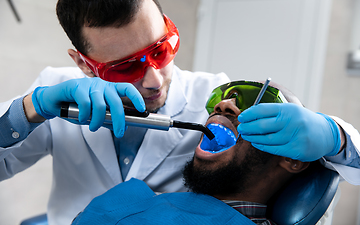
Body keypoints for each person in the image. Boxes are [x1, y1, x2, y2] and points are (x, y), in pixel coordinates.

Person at [0, 0, 359, 224]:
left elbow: (305, 157)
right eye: (125, 66)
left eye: (160, 50)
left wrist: (334, 136)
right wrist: (31, 109)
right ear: (83, 64)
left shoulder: (215, 94)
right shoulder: (55, 92)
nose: (154, 79)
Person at [70, 80, 316, 225]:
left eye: (257, 106)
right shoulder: (136, 198)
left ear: (292, 159)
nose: (224, 105)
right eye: (224, 98)